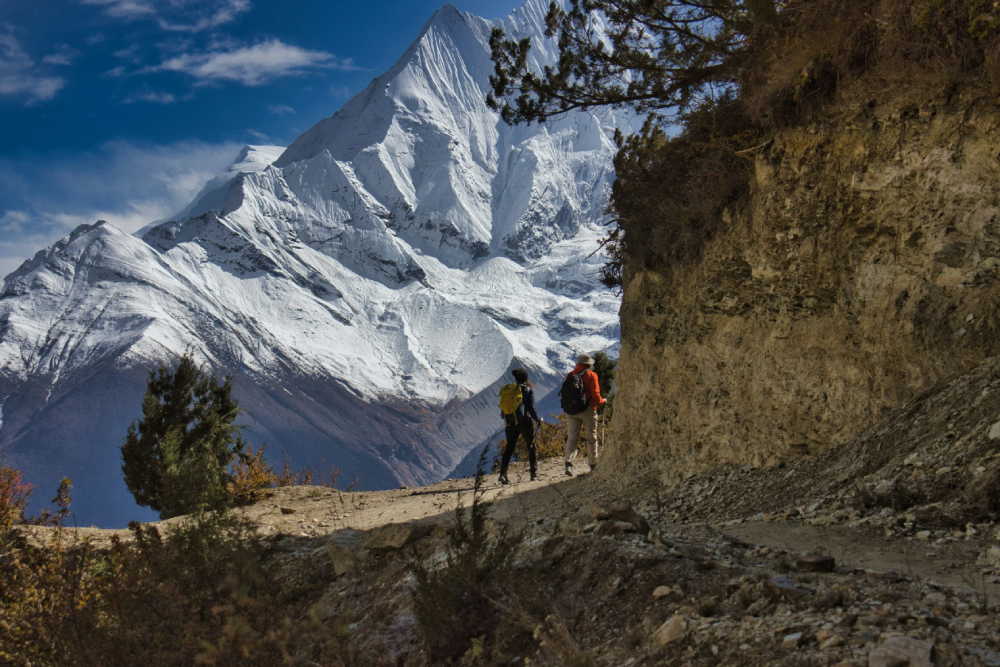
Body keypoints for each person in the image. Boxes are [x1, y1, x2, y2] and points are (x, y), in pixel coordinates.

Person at [563, 353, 605, 476]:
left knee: (572, 437)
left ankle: (568, 464)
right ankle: (593, 464)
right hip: (588, 410)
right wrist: (603, 401)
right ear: (589, 364)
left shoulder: (570, 375)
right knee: (591, 437)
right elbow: (596, 394)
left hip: (571, 411)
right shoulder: (591, 375)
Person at [497, 368, 542, 484]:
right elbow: (531, 408)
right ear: (526, 378)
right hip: (525, 422)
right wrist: (538, 419)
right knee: (531, 446)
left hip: (511, 423)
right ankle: (534, 474)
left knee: (509, 448)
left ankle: (503, 473)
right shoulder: (527, 390)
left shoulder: (510, 390)